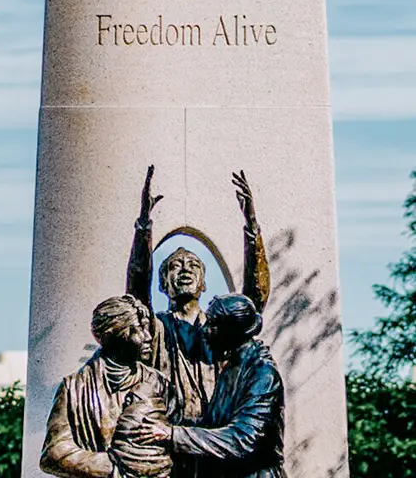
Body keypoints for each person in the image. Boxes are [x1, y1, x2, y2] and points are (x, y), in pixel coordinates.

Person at [126, 166, 271, 423]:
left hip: (216, 437)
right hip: (169, 435)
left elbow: (254, 300)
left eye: (193, 265)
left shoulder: (220, 328)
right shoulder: (157, 327)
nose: (185, 270)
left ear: (204, 284)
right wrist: (143, 226)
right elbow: (136, 294)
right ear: (162, 284)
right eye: (175, 265)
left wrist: (252, 227)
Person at [138, 294, 286, 478]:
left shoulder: (262, 374)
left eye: (213, 324)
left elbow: (242, 438)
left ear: (233, 331)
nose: (205, 330)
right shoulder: (233, 367)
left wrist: (173, 434)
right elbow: (214, 425)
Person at [40, 295, 174, 478]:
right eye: (137, 330)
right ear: (109, 336)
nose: (147, 337)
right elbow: (53, 453)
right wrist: (118, 467)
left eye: (146, 328)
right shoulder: (74, 388)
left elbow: (176, 437)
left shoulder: (158, 382)